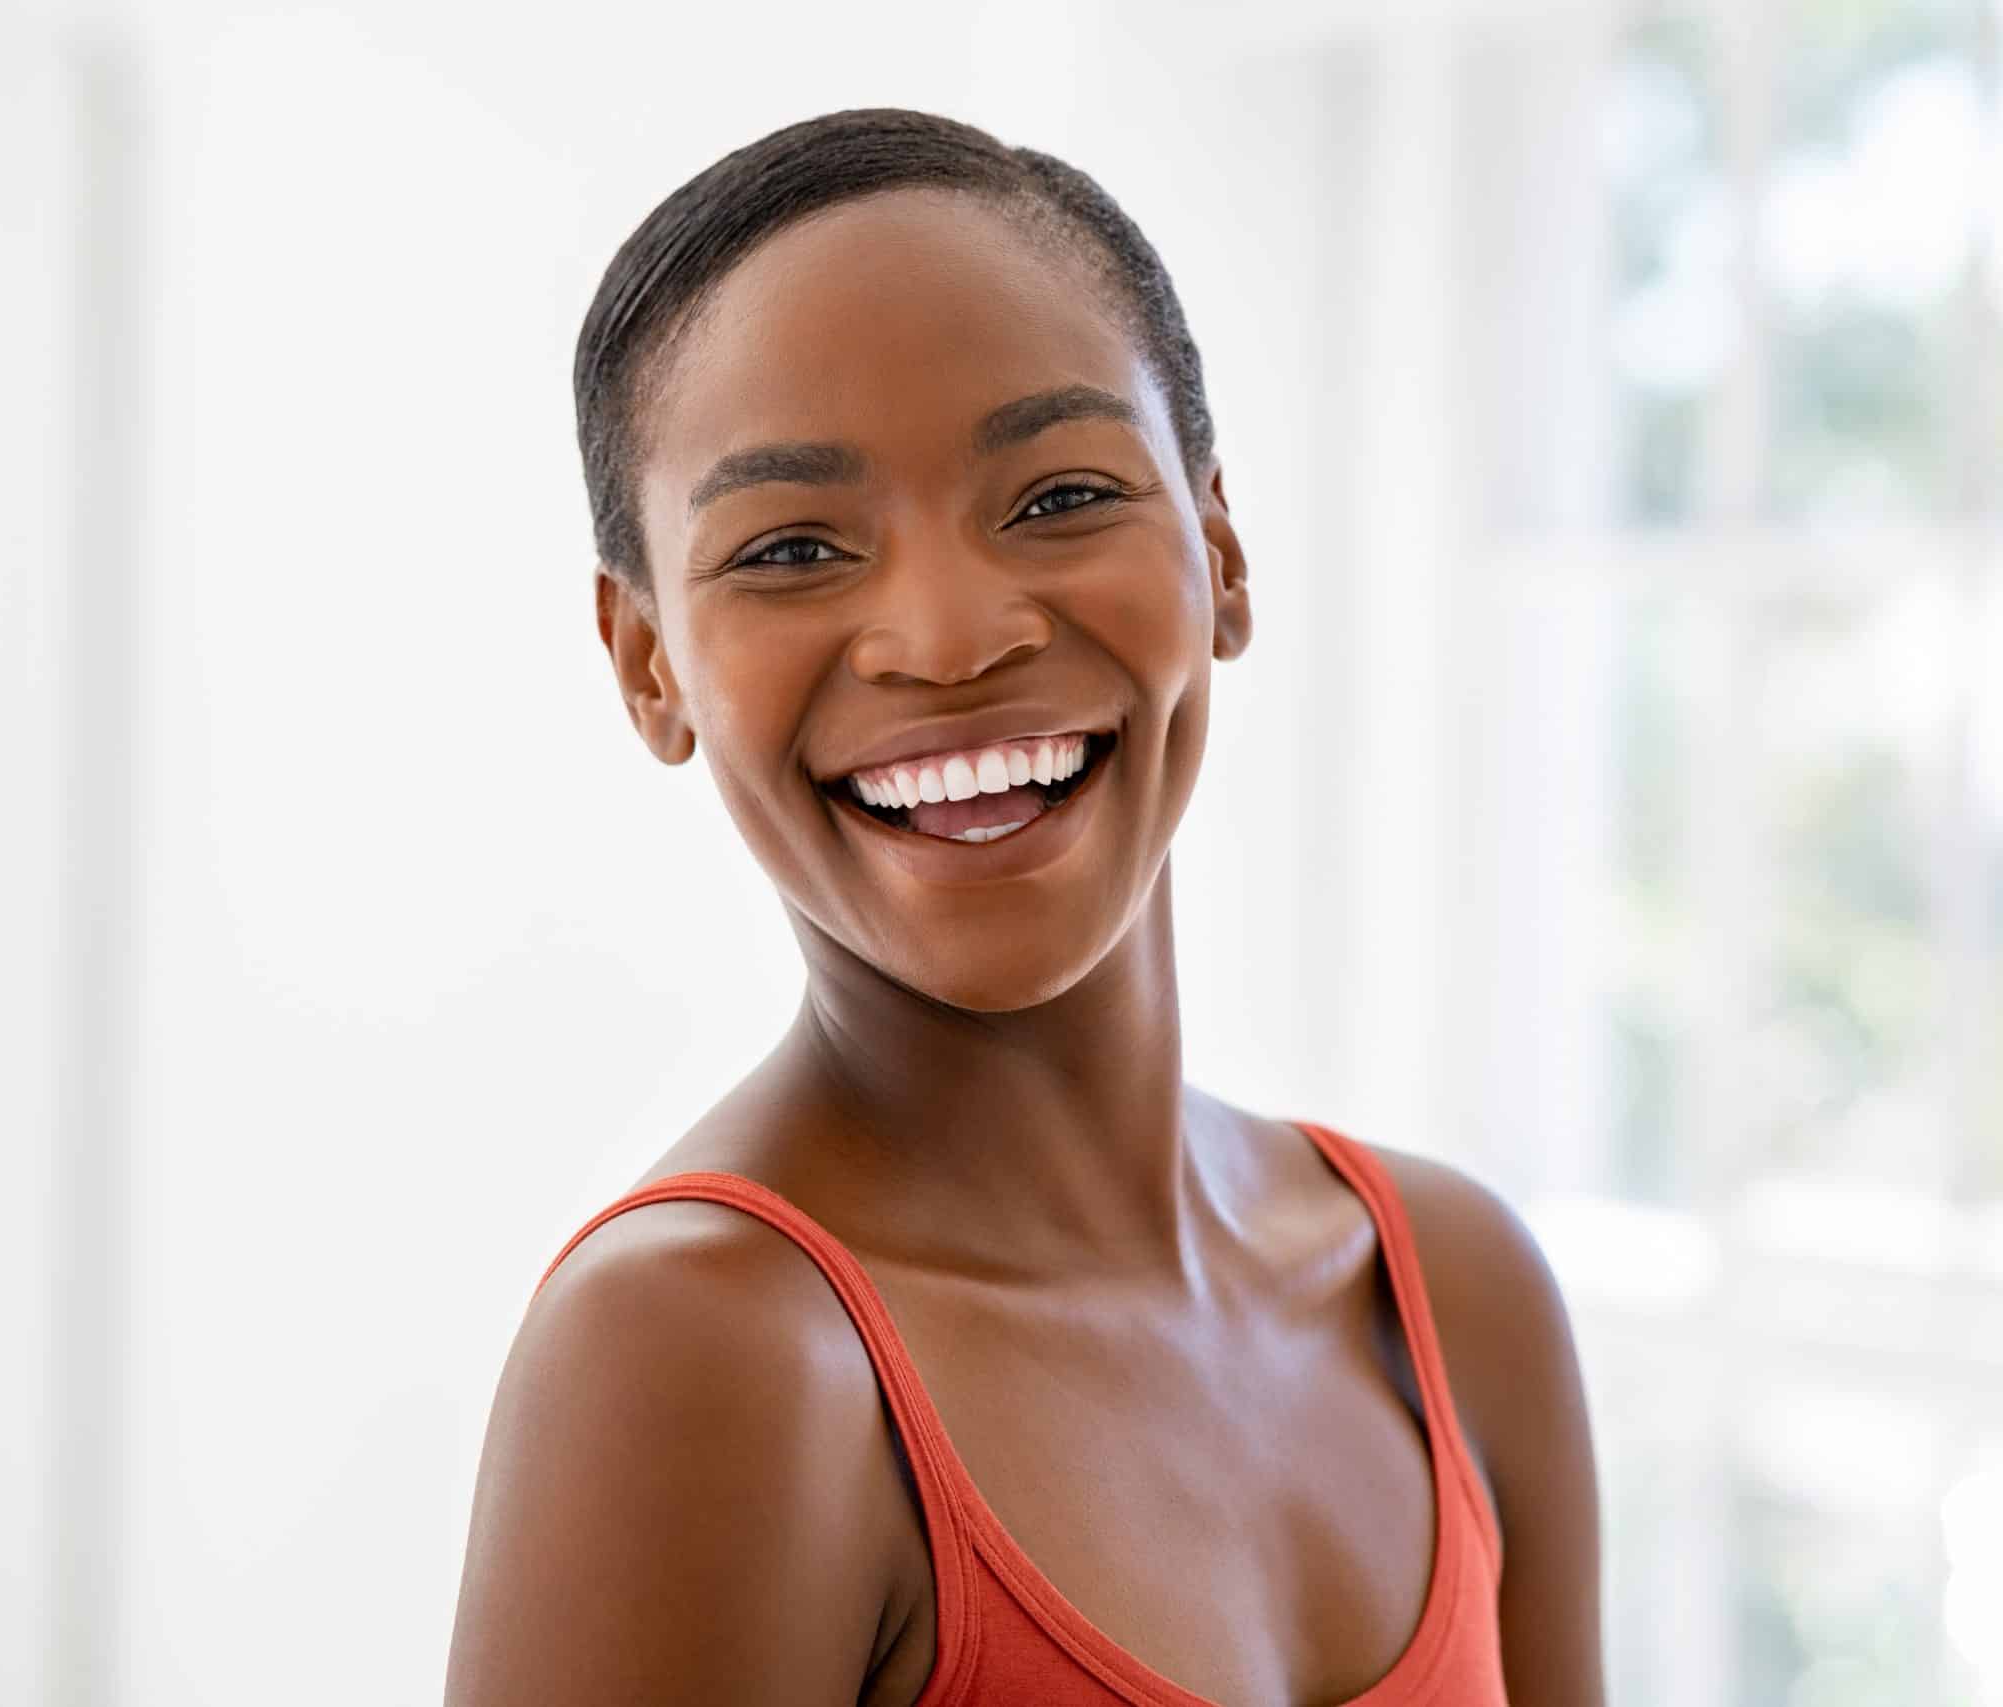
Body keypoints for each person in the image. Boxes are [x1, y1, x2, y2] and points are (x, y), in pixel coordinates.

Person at [445, 107, 1604, 1707]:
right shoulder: (701, 1354)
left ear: (1221, 549)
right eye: (790, 547)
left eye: (1058, 498)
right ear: (650, 664)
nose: (948, 635)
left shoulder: (1456, 1295)